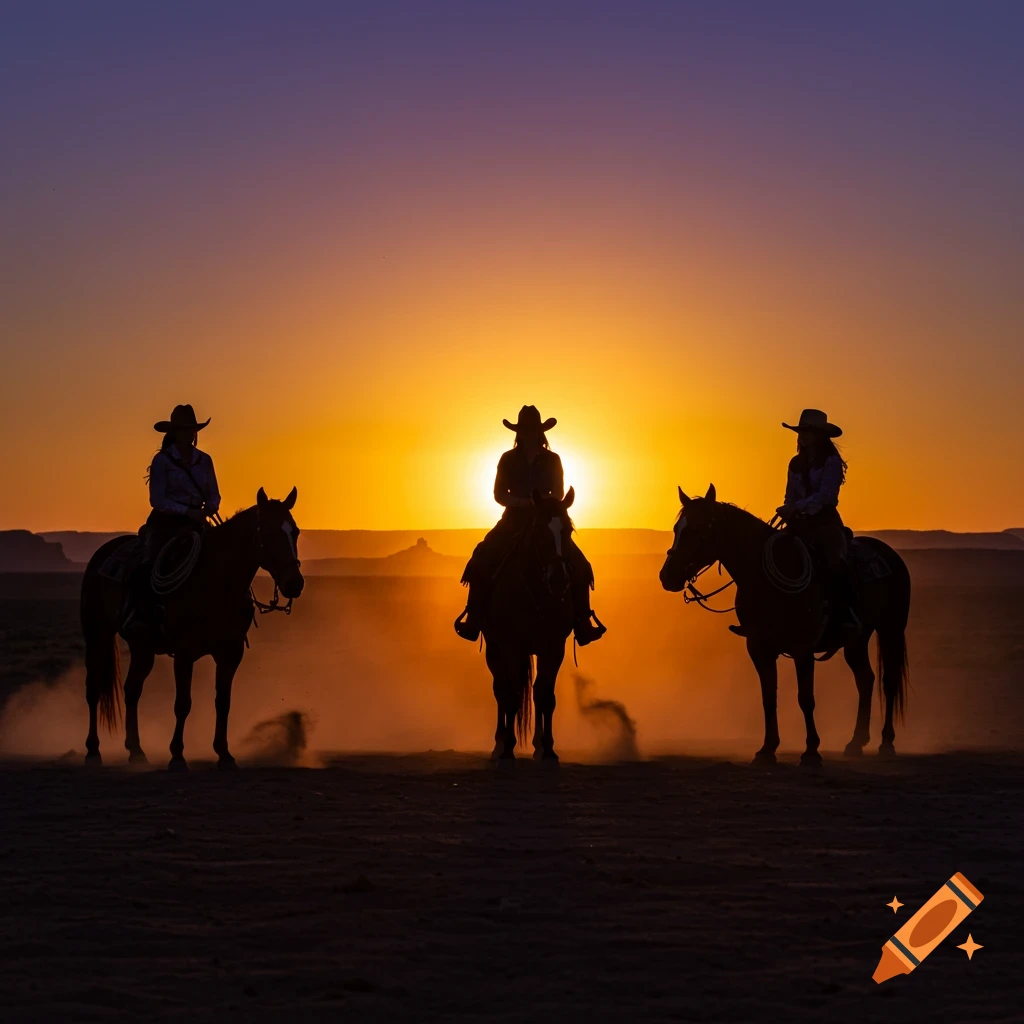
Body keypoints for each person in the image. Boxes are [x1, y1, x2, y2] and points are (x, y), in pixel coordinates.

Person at [454, 405, 606, 646]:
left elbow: (557, 491)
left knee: (580, 564)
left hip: (546, 519)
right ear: (519, 432)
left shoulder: (553, 460)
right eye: (525, 429)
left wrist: (542, 506)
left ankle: (582, 622)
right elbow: (498, 493)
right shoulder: (507, 459)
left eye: (533, 429)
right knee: (481, 556)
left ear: (540, 431)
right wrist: (523, 503)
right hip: (513, 519)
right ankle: (474, 618)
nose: (529, 433)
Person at [122, 405, 220, 636]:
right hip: (166, 522)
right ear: (174, 432)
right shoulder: (162, 461)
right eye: (184, 430)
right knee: (150, 561)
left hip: (197, 520)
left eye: (192, 430)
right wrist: (187, 512)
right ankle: (141, 613)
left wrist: (210, 507)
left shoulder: (204, 460)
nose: (189, 434)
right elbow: (157, 499)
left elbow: (214, 492)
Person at [775, 408, 860, 633]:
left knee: (834, 560)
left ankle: (845, 612)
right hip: (798, 522)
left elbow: (827, 496)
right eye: (801, 431)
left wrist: (795, 507)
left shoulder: (830, 461)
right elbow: (790, 494)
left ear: (820, 435)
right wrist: (788, 508)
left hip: (825, 522)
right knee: (773, 554)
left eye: (808, 431)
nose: (803, 435)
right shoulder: (795, 463)